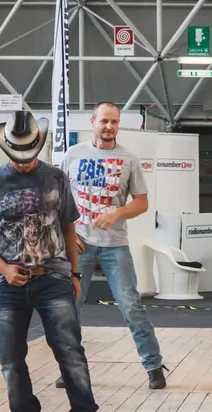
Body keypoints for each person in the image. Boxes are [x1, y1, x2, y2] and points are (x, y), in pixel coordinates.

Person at [0, 111, 116, 412]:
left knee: (70, 353)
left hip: (53, 277)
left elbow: (68, 225)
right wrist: (3, 268)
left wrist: (75, 272)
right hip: (8, 282)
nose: (23, 163)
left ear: (37, 147)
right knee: (9, 356)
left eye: (29, 155)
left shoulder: (55, 178)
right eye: (17, 155)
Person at [54, 101, 167, 390]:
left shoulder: (128, 159)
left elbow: (142, 202)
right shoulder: (72, 155)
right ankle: (69, 370)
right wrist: (69, 234)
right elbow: (57, 201)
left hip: (115, 246)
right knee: (71, 308)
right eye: (104, 121)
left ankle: (153, 365)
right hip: (79, 245)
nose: (109, 127)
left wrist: (116, 213)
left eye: (114, 122)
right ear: (92, 122)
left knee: (131, 306)